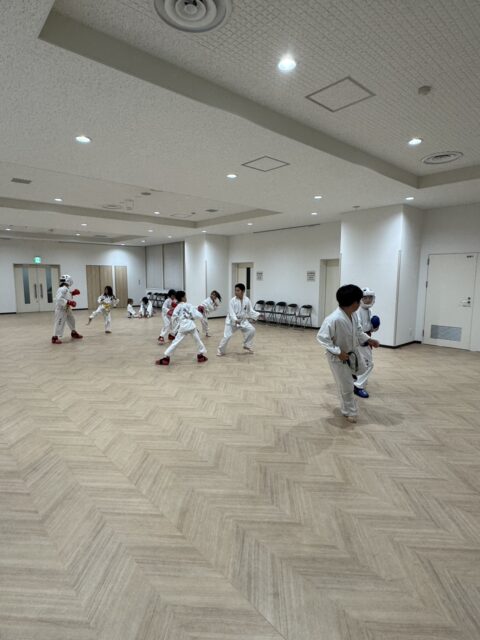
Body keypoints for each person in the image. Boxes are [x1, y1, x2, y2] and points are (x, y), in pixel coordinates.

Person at [316, 284, 379, 423]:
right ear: (354, 302)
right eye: (359, 300)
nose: (361, 303)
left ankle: (348, 404)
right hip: (338, 358)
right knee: (346, 385)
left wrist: (369, 340)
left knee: (360, 371)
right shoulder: (334, 319)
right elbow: (322, 338)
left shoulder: (353, 315)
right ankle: (349, 411)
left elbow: (358, 332)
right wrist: (338, 352)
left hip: (352, 353)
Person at [156, 290, 207, 366]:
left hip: (183, 327)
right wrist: (201, 314)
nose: (186, 298)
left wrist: (175, 330)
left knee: (175, 342)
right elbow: (195, 314)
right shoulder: (189, 305)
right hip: (191, 326)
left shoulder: (177, 307)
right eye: (185, 296)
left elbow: (174, 318)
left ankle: (166, 358)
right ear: (182, 298)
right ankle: (200, 355)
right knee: (198, 340)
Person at [217, 284, 259, 356]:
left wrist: (256, 316)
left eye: (238, 290)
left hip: (242, 320)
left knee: (251, 330)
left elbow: (250, 310)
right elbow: (231, 313)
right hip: (231, 321)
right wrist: (235, 320)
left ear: (243, 291)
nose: (236, 292)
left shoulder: (247, 300)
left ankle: (246, 345)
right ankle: (220, 350)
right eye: (235, 290)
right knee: (227, 336)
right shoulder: (232, 301)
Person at [354, 287, 381, 398]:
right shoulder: (357, 311)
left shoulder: (369, 311)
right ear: (361, 299)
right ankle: (358, 386)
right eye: (365, 298)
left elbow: (370, 328)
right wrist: (364, 340)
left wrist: (375, 326)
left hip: (366, 338)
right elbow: (357, 330)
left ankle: (354, 378)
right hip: (360, 340)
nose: (368, 300)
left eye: (370, 297)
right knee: (369, 364)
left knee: (359, 362)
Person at [51, 274, 83, 344]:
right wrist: (69, 302)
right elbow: (59, 299)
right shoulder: (62, 289)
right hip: (61, 309)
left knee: (72, 320)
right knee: (59, 322)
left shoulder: (66, 288)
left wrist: (73, 293)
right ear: (68, 281)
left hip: (67, 308)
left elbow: (66, 295)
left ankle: (73, 332)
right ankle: (54, 337)